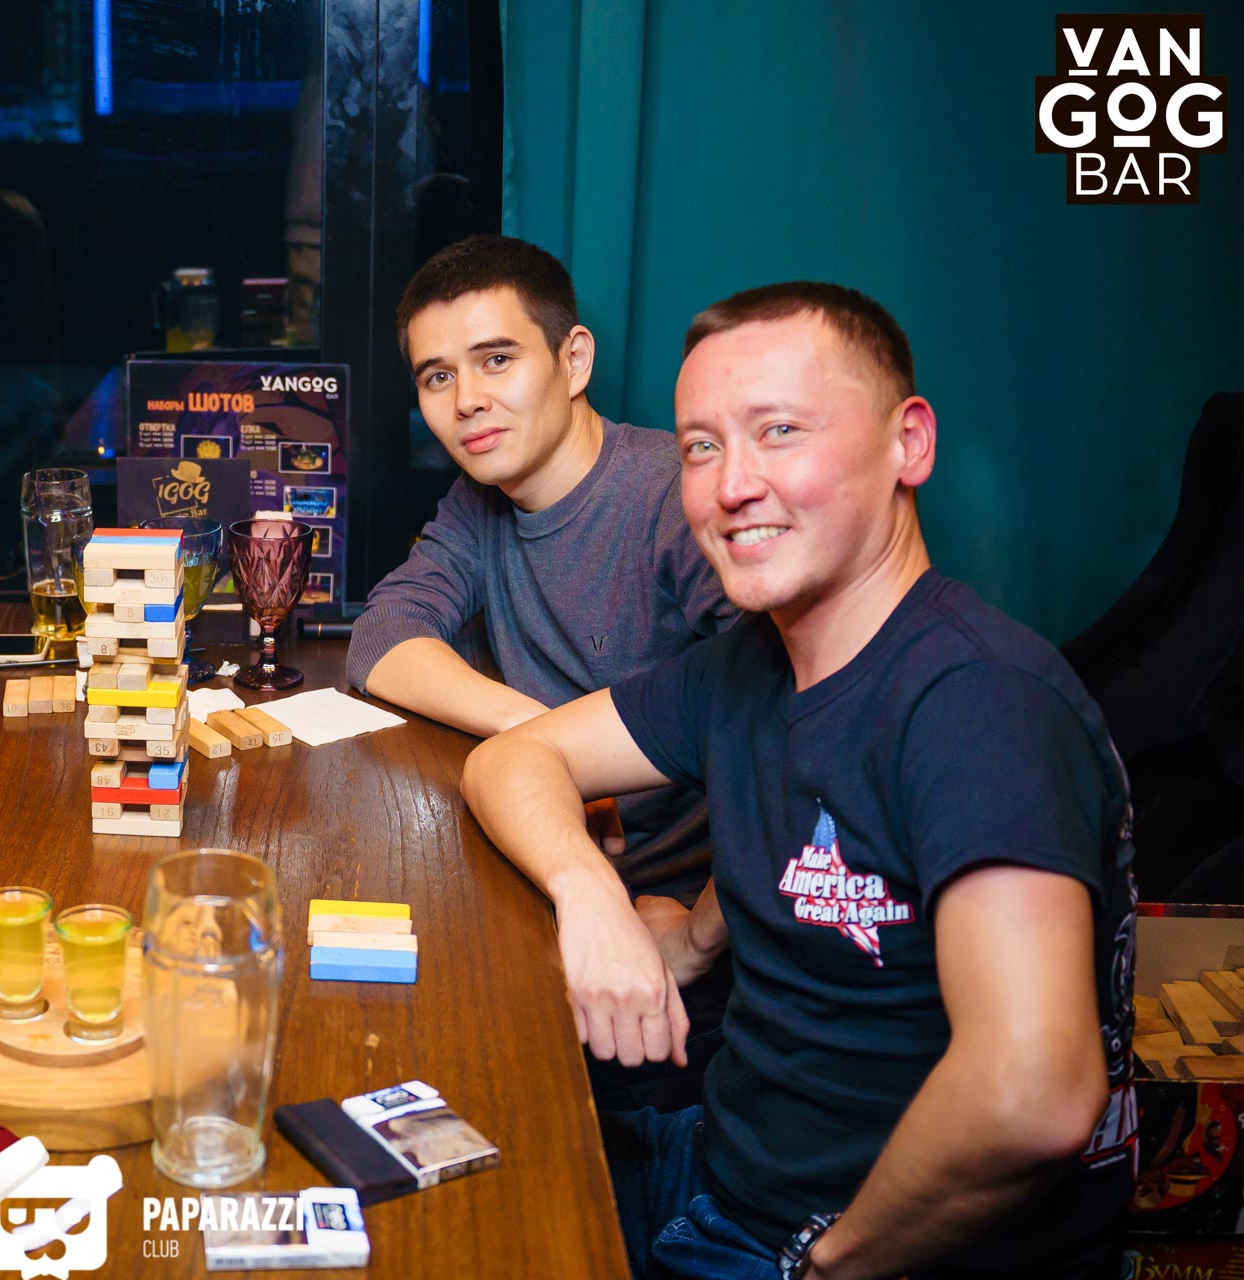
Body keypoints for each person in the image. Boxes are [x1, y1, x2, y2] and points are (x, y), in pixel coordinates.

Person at [465, 283, 1134, 1279]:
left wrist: (829, 1261)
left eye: (778, 431)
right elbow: (510, 759)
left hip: (845, 1241)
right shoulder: (747, 665)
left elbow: (1031, 1091)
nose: (731, 485)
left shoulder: (978, 703)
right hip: (723, 1164)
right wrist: (604, 902)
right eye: (700, 447)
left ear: (908, 443)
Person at [350, 235, 736, 904]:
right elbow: (381, 636)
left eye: (496, 360)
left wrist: (699, 931)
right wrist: (539, 738)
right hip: (537, 860)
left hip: (669, 900)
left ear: (574, 360)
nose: (466, 400)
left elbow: (794, 724)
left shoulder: (674, 497)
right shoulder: (479, 500)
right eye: (438, 377)